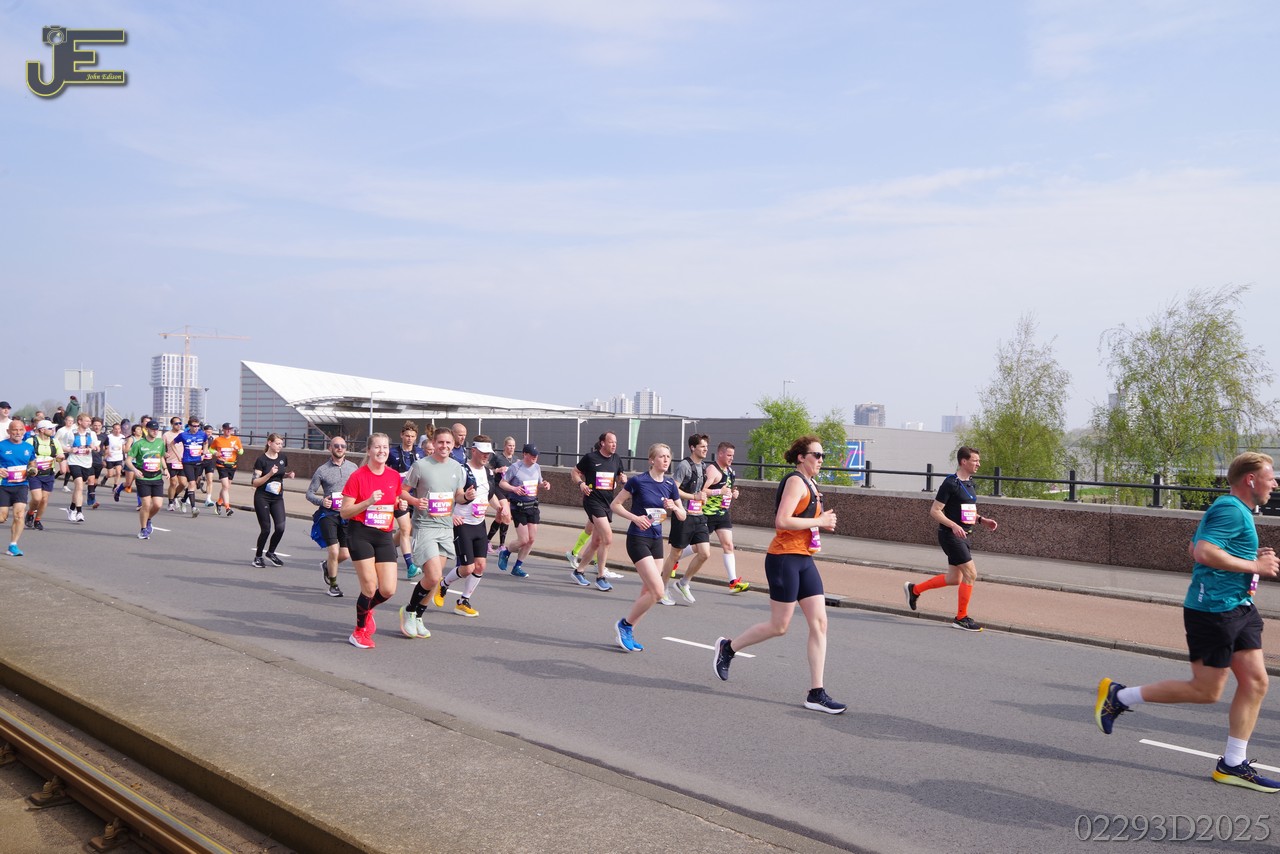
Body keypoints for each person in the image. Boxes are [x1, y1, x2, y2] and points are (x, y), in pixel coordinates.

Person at [1095, 452, 1280, 792]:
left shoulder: (1236, 509)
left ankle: (1232, 764)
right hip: (1213, 612)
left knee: (1256, 683)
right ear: (1251, 479)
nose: (1275, 483)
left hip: (1240, 607)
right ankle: (1120, 696)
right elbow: (1203, 552)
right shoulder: (1230, 509)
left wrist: (1249, 556)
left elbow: (1193, 546)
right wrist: (1256, 566)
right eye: (1271, 477)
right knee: (1205, 691)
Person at [713, 435, 845, 714]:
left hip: (804, 558)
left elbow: (802, 520)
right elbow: (781, 520)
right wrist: (819, 520)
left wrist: (820, 524)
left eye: (823, 456)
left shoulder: (811, 483)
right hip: (784, 558)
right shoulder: (796, 481)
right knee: (779, 626)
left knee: (820, 623)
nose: (821, 460)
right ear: (801, 457)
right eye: (816, 455)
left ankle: (816, 692)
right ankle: (728, 648)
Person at [903, 446, 998, 632]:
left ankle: (914, 590)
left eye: (978, 461)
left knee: (954, 578)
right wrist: (953, 525)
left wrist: (982, 520)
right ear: (964, 461)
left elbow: (966, 511)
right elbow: (935, 511)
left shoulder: (970, 483)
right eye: (975, 460)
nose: (978, 464)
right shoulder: (950, 483)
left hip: (964, 535)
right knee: (971, 574)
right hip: (950, 536)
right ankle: (961, 618)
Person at [609, 443, 686, 651]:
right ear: (652, 460)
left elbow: (683, 515)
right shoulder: (638, 481)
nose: (666, 460)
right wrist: (635, 518)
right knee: (658, 592)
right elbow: (615, 505)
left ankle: (629, 631)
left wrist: (674, 507)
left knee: (648, 590)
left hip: (656, 540)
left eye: (668, 456)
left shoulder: (670, 485)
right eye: (661, 456)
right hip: (638, 539)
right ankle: (624, 625)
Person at [399, 427, 473, 638]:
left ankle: (419, 616)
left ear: (453, 445)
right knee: (432, 576)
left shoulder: (457, 467)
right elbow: (402, 491)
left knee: (436, 578)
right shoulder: (421, 465)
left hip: (445, 527)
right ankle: (409, 611)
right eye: (441, 442)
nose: (444, 446)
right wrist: (415, 501)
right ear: (433, 443)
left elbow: (457, 495)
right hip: (425, 526)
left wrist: (466, 497)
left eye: (448, 443)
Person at [433, 436, 510, 618]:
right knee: (467, 568)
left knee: (480, 566)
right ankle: (443, 584)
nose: (486, 456)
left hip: (479, 523)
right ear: (473, 451)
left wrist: (499, 508)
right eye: (483, 453)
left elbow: (489, 494)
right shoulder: (461, 470)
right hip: (463, 523)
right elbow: (449, 494)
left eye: (488, 454)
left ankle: (463, 601)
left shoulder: (488, 472)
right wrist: (454, 511)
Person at [340, 433, 402, 649]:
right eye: (377, 447)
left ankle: (367, 608)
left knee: (388, 589)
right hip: (361, 533)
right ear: (368, 450)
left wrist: (399, 505)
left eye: (385, 447)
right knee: (369, 586)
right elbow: (345, 512)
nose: (382, 451)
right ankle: (358, 632)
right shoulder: (357, 477)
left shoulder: (394, 476)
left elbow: (393, 500)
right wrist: (367, 502)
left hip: (384, 534)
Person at [568, 431, 628, 590]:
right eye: (611, 442)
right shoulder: (590, 458)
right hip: (592, 501)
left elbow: (620, 475)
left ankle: (579, 571)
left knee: (596, 541)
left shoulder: (616, 459)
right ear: (602, 443)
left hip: (608, 503)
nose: (614, 445)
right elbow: (574, 472)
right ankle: (601, 577)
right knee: (607, 538)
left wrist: (623, 479)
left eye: (615, 442)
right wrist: (581, 484)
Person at [662, 434, 714, 604]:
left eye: (706, 446)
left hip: (699, 515)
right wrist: (694, 497)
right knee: (675, 554)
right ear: (692, 447)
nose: (706, 449)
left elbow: (700, 490)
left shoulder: (703, 466)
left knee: (705, 553)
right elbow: (674, 489)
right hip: (683, 514)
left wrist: (703, 497)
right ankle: (662, 588)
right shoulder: (684, 466)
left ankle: (683, 583)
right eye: (702, 446)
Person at [306, 435, 357, 597]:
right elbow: (309, 493)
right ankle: (333, 585)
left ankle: (326, 565)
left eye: (343, 446)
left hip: (346, 515)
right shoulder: (322, 470)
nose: (340, 448)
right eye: (336, 446)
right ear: (330, 448)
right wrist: (322, 501)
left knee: (345, 554)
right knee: (334, 552)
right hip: (328, 514)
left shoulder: (353, 467)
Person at [497, 444, 550, 578]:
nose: (535, 457)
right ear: (525, 454)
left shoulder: (537, 467)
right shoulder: (515, 467)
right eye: (532, 455)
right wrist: (514, 489)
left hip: (532, 505)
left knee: (531, 540)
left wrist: (544, 484)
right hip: (518, 506)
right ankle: (505, 552)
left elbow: (538, 483)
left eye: (536, 455)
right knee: (523, 540)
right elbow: (502, 483)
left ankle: (517, 567)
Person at [703, 441, 749, 593]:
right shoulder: (712, 470)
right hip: (708, 514)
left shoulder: (729, 470)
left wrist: (733, 492)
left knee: (728, 545)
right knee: (698, 547)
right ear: (720, 454)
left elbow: (727, 488)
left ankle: (733, 582)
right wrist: (719, 492)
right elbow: (702, 490)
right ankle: (673, 560)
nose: (731, 458)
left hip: (722, 513)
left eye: (732, 455)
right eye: (729, 455)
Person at [250, 433, 294, 567]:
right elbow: (254, 482)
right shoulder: (261, 460)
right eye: (277, 443)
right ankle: (258, 557)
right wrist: (269, 474)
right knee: (266, 529)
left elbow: (279, 474)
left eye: (281, 444)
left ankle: (271, 553)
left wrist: (287, 475)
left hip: (277, 498)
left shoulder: (282, 458)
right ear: (269, 443)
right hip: (262, 497)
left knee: (280, 528)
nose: (280, 446)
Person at [387, 421, 424, 579]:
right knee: (405, 527)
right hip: (398, 495)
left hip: (414, 496)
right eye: (407, 435)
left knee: (409, 529)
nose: (409, 439)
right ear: (402, 435)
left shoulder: (420, 453)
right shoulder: (392, 452)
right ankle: (410, 566)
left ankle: (390, 545)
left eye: (413, 436)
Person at [0, 420, 34, 555]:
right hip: (3, 485)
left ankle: (13, 545)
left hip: (21, 485)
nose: (18, 432)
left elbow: (32, 462)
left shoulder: (28, 447)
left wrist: (33, 469)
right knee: (2, 517)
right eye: (14, 430)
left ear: (24, 431)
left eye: (20, 430)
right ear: (9, 431)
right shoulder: (1, 446)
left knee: (19, 515)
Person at [129, 420, 168, 539]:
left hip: (157, 477)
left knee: (158, 505)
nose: (155, 432)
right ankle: (143, 529)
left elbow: (161, 457)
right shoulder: (139, 444)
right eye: (152, 429)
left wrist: (166, 469)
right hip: (143, 478)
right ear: (147, 430)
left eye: (157, 430)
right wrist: (135, 470)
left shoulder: (160, 442)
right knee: (146, 504)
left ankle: (148, 519)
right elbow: (128, 460)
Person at [24, 419, 63, 531]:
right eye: (50, 428)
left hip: (48, 473)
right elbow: (24, 455)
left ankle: (37, 520)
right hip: (35, 474)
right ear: (42, 430)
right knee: (37, 498)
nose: (53, 430)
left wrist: (60, 458)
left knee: (44, 499)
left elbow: (60, 456)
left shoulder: (54, 442)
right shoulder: (31, 441)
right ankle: (30, 513)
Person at [61, 413, 99, 522]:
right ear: (80, 421)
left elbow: (97, 447)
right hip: (74, 462)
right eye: (86, 421)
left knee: (78, 489)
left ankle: (71, 508)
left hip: (87, 463)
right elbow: (62, 445)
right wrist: (70, 450)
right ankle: (79, 513)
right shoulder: (71, 433)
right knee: (79, 486)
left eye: (89, 421)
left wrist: (94, 448)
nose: (89, 423)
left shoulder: (91, 434)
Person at [486, 436, 516, 554]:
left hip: (509, 490)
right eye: (509, 445)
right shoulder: (497, 458)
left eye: (513, 446)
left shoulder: (515, 460)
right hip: (498, 488)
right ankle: (502, 545)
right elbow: (487, 470)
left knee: (499, 518)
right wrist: (497, 470)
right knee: (507, 516)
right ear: (505, 446)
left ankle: (487, 541)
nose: (511, 448)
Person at [208, 422, 245, 516]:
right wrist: (216, 453)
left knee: (227, 487)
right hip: (221, 465)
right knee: (225, 486)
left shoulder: (236, 439)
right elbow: (211, 449)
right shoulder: (218, 440)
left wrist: (237, 449)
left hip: (232, 465)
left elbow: (241, 452)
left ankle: (219, 502)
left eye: (230, 429)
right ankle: (227, 508)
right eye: (227, 429)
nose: (229, 431)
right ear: (223, 430)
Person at [176, 416, 210, 516]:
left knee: (193, 484)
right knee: (191, 483)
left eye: (197, 426)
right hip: (187, 462)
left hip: (198, 462)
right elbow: (173, 443)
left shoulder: (202, 434)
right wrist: (178, 455)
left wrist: (204, 452)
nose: (196, 428)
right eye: (194, 426)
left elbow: (206, 442)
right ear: (189, 426)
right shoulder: (183, 435)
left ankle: (183, 500)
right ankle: (194, 508)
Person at [101, 421, 126, 494]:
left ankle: (115, 486)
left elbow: (123, 447)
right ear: (113, 429)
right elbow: (105, 446)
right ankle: (105, 477)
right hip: (110, 458)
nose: (117, 430)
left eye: (119, 429)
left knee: (118, 472)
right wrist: (107, 452)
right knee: (110, 474)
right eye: (115, 429)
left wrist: (125, 454)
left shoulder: (122, 437)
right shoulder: (109, 437)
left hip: (119, 457)